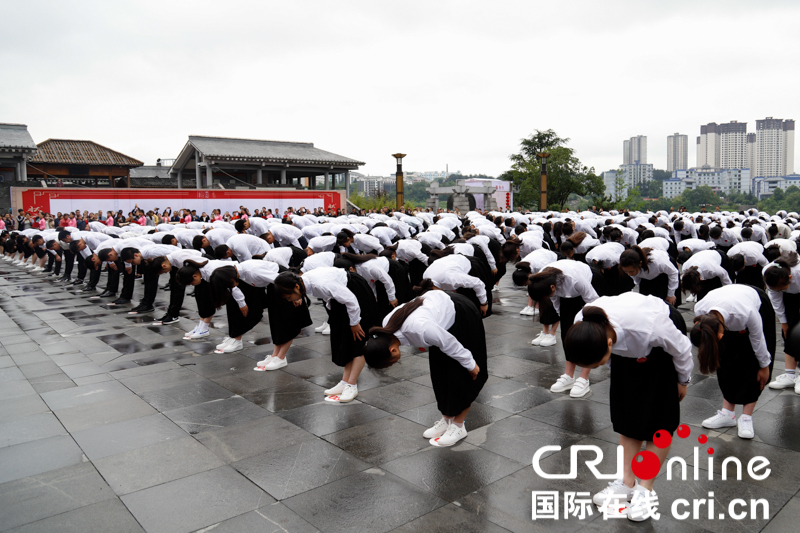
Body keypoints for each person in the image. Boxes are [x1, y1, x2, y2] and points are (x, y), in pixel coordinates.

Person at [563, 292, 692, 522]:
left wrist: (682, 381)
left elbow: (682, 348)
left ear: (610, 344)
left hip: (660, 348)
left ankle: (645, 490)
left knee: (659, 423)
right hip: (623, 346)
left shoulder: (650, 327)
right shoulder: (582, 327)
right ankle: (626, 483)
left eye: (599, 363)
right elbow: (605, 356)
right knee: (627, 417)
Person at [363, 289, 486, 447]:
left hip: (460, 313)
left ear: (392, 350)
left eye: (390, 363)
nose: (393, 365)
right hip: (437, 317)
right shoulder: (387, 328)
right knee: (440, 374)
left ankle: (458, 426)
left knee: (461, 375)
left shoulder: (420, 328)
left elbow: (449, 343)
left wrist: (471, 365)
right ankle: (447, 420)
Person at [274, 267, 378, 403]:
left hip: (356, 292)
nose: (289, 300)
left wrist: (354, 323)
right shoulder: (305, 283)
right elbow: (330, 296)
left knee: (358, 339)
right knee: (346, 339)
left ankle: (351, 385)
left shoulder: (319, 284)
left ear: (296, 286)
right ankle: (345, 382)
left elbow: (351, 300)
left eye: (289, 297)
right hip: (343, 296)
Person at [691, 285, 775, 439]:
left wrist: (764, 366)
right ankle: (727, 413)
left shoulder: (746, 313)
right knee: (726, 362)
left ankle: (746, 417)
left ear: (721, 335)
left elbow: (759, 340)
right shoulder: (701, 310)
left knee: (751, 361)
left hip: (754, 302)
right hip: (727, 304)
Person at [527, 260, 603, 397]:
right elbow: (556, 301)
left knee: (588, 332)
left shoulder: (574, 279)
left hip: (590, 284)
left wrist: (592, 321)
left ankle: (584, 378)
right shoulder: (542, 280)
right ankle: (569, 375)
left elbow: (593, 301)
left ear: (552, 287)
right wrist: (565, 319)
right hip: (567, 293)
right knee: (567, 333)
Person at [764, 256, 800, 394]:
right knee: (790, 334)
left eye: (781, 288)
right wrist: (784, 323)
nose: (777, 290)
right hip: (790, 297)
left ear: (790, 277)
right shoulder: (770, 274)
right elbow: (776, 300)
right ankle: (790, 376)